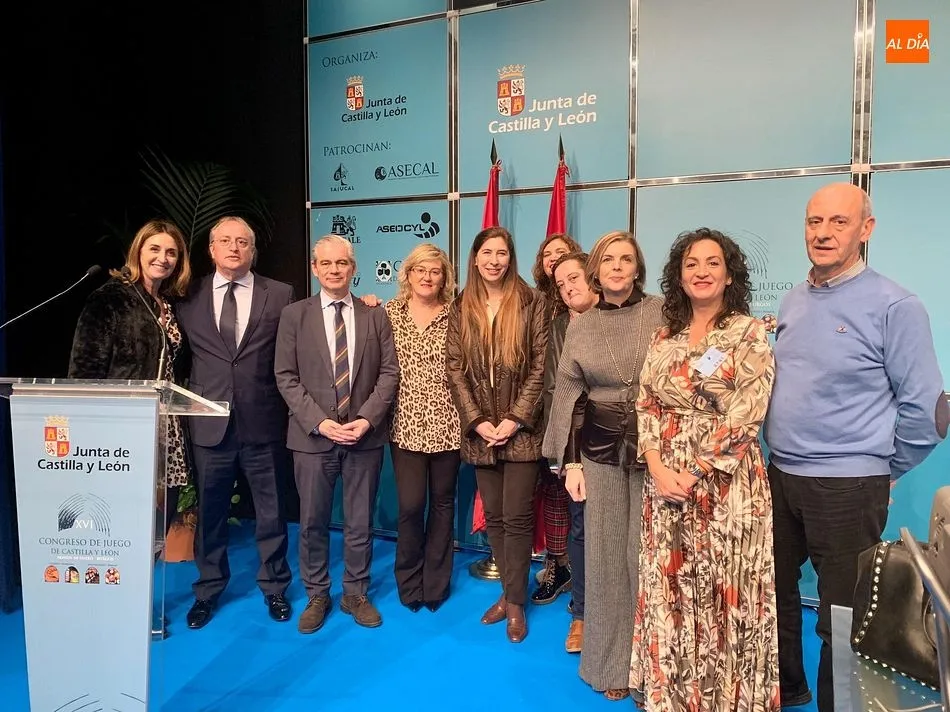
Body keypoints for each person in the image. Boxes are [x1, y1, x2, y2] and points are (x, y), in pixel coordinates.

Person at [764, 183, 948, 712]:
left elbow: (929, 413)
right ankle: (788, 689)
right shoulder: (793, 299)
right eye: (814, 221)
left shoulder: (896, 305)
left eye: (839, 222)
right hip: (780, 475)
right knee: (774, 595)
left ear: (866, 229)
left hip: (848, 486)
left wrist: (880, 469)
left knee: (840, 615)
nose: (823, 233)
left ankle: (838, 706)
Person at [629, 228, 779, 712]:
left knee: (724, 587)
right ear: (679, 276)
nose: (701, 272)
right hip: (664, 482)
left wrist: (693, 472)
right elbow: (647, 404)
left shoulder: (748, 333)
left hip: (726, 484)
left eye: (713, 263)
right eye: (691, 264)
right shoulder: (663, 336)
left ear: (729, 275)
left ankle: (727, 699)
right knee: (672, 585)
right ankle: (675, 694)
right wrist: (657, 466)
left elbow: (747, 413)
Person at [543, 230, 663, 700]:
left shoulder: (662, 313)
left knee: (647, 558)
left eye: (626, 259)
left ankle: (651, 669)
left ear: (638, 268)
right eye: (608, 259)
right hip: (599, 454)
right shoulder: (582, 324)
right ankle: (610, 665)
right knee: (607, 559)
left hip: (657, 452)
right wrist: (570, 463)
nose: (616, 266)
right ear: (596, 269)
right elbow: (568, 397)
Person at [68, 218, 192, 634]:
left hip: (167, 430)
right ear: (138, 251)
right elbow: (84, 371)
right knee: (119, 524)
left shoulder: (167, 304)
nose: (163, 258)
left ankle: (139, 600)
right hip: (120, 429)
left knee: (157, 523)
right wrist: (92, 432)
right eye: (155, 249)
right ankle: (108, 606)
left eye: (171, 252)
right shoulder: (110, 298)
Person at [275, 234, 399, 634]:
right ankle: (317, 593)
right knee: (312, 522)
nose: (334, 270)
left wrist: (366, 419)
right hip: (312, 438)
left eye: (341, 263)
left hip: (364, 438)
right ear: (315, 268)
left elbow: (389, 373)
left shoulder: (374, 315)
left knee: (360, 522)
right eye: (326, 263)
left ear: (353, 268)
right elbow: (285, 376)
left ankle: (355, 593)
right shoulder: (294, 315)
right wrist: (319, 421)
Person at [176, 216, 294, 630]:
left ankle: (275, 585)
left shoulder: (280, 294)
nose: (234, 247)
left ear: (253, 250)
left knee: (271, 511)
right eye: (225, 241)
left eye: (242, 241)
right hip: (209, 425)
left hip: (263, 422)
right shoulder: (187, 296)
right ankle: (207, 590)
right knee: (210, 512)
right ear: (211, 250)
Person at [445, 226, 547, 644]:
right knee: (497, 518)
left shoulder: (532, 301)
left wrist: (516, 419)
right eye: (487, 252)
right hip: (481, 434)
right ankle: (509, 592)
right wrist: (477, 421)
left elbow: (541, 365)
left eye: (501, 253)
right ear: (475, 258)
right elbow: (454, 368)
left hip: (520, 433)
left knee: (518, 518)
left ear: (511, 258)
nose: (494, 260)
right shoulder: (462, 305)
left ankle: (516, 603)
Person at [384, 244, 461, 613]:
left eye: (435, 271)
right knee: (411, 506)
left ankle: (436, 583)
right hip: (405, 426)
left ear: (444, 277)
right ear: (409, 274)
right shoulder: (388, 313)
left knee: (443, 505)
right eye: (421, 270)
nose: (427, 277)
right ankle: (409, 580)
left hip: (449, 424)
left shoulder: (457, 314)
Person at [542, 251, 599, 653]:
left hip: (625, 444)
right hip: (577, 446)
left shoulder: (629, 317)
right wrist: (563, 456)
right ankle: (581, 612)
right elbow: (556, 392)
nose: (567, 289)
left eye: (574, 279)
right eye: (560, 285)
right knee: (579, 527)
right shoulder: (559, 328)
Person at [530, 233, 584, 608]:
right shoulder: (536, 305)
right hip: (542, 416)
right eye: (547, 254)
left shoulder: (593, 309)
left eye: (561, 254)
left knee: (581, 503)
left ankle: (583, 577)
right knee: (552, 493)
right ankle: (557, 564)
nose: (554, 259)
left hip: (588, 427)